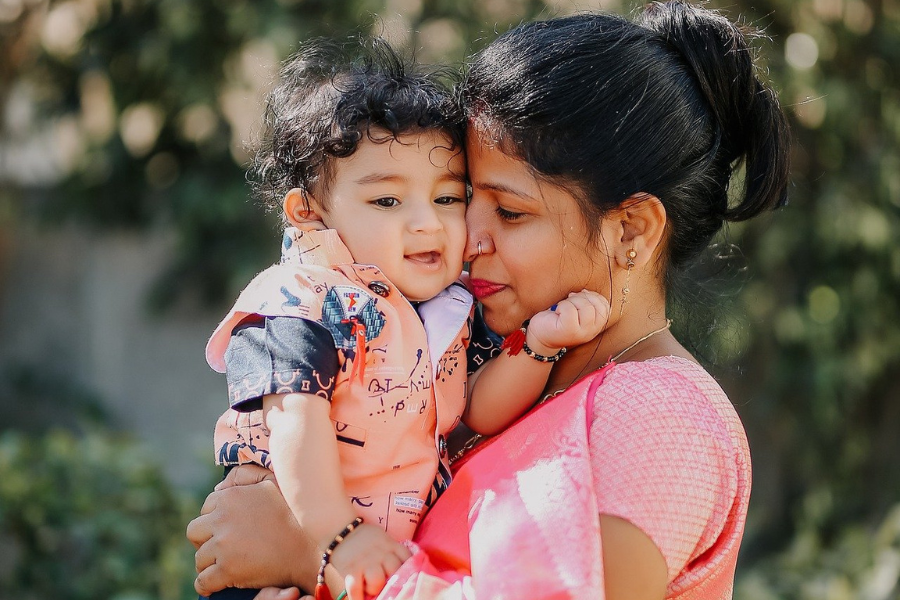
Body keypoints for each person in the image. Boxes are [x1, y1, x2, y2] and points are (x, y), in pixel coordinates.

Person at [187, 2, 791, 599]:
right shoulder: (493, 366)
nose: (466, 239)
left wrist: (310, 555)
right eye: (465, 199)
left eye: (509, 211)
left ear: (631, 229)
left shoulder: (658, 413)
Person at [202, 39, 607, 600]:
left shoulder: (444, 308)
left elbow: (478, 410)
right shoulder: (302, 302)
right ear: (309, 211)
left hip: (367, 567)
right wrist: (337, 536)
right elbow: (296, 426)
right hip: (281, 553)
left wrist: (537, 345)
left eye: (446, 198)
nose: (428, 225)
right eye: (387, 202)